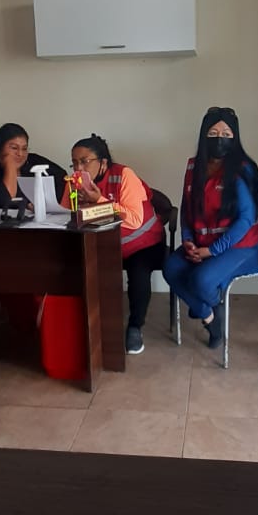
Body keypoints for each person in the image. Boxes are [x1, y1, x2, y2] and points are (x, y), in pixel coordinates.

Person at [164, 107, 258, 348]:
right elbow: (186, 207)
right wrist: (188, 240)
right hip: (203, 243)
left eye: (226, 134)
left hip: (245, 245)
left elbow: (245, 220)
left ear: (235, 137)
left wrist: (212, 251)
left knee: (201, 281)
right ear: (203, 136)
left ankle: (207, 300)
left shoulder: (242, 169)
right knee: (171, 268)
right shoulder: (194, 167)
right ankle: (210, 314)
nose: (219, 139)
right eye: (213, 133)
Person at [61, 135, 166, 355]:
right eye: (74, 163)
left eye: (84, 161)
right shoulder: (75, 182)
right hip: (106, 245)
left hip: (143, 243)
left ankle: (135, 327)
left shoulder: (124, 175)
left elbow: (134, 219)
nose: (78, 168)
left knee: (139, 273)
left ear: (103, 162)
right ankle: (92, 324)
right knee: (83, 268)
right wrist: (72, 204)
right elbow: (64, 214)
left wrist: (98, 201)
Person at [0, 122, 65, 209]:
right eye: (14, 148)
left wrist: (45, 204)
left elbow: (62, 176)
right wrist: (10, 166)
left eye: (24, 149)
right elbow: (5, 200)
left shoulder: (33, 161)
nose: (20, 154)